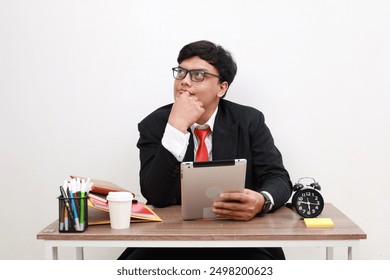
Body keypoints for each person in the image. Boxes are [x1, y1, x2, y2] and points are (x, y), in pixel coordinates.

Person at [118, 40, 292, 260]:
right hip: (172, 238)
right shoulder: (154, 124)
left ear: (222, 87)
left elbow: (278, 178)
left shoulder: (249, 121)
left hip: (239, 235)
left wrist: (261, 201)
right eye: (181, 72)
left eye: (198, 75)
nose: (184, 82)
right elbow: (155, 194)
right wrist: (176, 128)